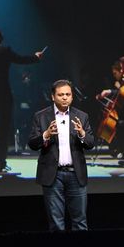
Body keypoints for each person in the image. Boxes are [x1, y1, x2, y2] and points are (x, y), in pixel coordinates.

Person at [29, 79, 94, 231]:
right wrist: (45, 135)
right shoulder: (41, 116)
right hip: (53, 175)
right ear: (53, 97)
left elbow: (90, 143)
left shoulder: (82, 116)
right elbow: (32, 144)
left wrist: (82, 134)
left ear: (72, 96)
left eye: (68, 94)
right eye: (61, 95)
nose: (65, 97)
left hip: (75, 174)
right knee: (56, 224)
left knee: (80, 222)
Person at [0, 29, 43, 172]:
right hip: (3, 95)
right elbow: (20, 59)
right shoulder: (5, 50)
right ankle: (0, 164)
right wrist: (35, 57)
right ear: (1, 38)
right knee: (3, 130)